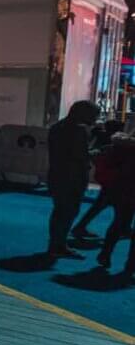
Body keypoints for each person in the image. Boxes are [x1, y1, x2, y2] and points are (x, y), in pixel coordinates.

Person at [46, 100, 98, 258]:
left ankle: (56, 243)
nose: (95, 119)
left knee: (59, 210)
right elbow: (80, 155)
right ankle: (59, 244)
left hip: (56, 173)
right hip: (73, 176)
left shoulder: (57, 127)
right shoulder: (78, 131)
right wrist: (96, 153)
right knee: (69, 211)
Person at [72, 117, 122, 239]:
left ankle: (80, 227)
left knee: (104, 204)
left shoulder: (103, 138)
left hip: (108, 177)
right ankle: (80, 227)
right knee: (110, 205)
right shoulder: (112, 143)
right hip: (112, 178)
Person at [96, 135, 135, 271]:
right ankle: (131, 264)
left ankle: (105, 253)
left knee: (118, 223)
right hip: (129, 189)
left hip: (121, 190)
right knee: (122, 224)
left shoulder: (124, 147)